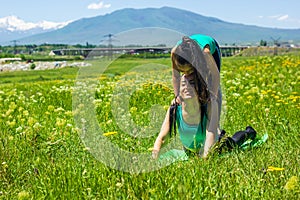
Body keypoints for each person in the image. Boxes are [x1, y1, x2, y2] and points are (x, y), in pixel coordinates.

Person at [152, 75, 257, 159]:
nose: (187, 87)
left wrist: (205, 157)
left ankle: (249, 133)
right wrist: (154, 156)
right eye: (183, 84)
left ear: (199, 87)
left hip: (214, 145)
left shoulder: (207, 106)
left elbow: (210, 134)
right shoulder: (175, 108)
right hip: (190, 152)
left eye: (192, 83)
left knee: (234, 142)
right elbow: (162, 137)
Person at [168, 34, 222, 157]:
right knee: (194, 89)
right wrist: (177, 96)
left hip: (210, 54)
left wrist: (213, 96)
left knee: (210, 97)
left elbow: (215, 76)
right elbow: (175, 76)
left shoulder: (206, 53)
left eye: (189, 71)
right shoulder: (174, 53)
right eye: (183, 72)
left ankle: (214, 131)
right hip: (193, 56)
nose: (186, 75)